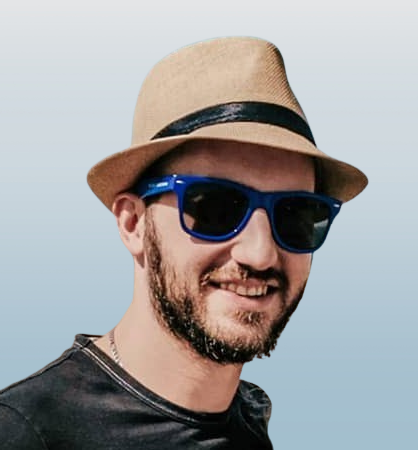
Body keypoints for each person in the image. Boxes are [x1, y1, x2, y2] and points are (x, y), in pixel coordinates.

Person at [0, 36, 367, 449]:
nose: (260, 253)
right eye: (215, 208)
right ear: (133, 223)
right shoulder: (27, 433)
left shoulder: (248, 418)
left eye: (296, 215)